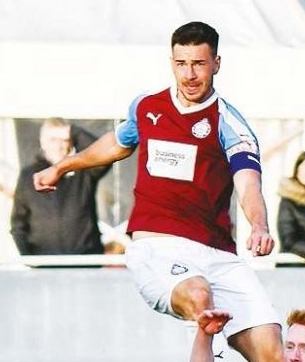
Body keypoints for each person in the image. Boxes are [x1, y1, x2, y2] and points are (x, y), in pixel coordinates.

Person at [34, 22, 282, 362]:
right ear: (171, 63)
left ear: (216, 64)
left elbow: (248, 182)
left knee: (272, 352)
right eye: (182, 64)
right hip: (159, 246)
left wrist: (259, 225)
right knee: (199, 297)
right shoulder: (147, 107)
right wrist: (63, 166)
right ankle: (211, 346)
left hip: (219, 254)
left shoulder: (230, 124)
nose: (189, 74)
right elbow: (116, 144)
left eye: (199, 64)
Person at [11, 118, 110, 255]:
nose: (59, 146)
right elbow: (18, 223)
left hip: (85, 260)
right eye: (53, 139)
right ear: (42, 142)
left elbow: (105, 155)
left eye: (64, 140)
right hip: (44, 262)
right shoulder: (29, 176)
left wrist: (73, 131)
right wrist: (28, 257)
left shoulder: (84, 170)